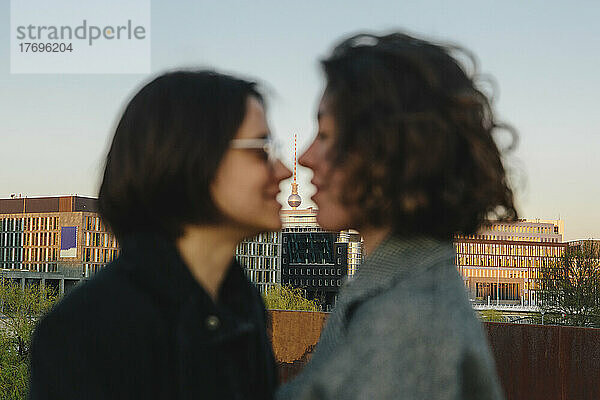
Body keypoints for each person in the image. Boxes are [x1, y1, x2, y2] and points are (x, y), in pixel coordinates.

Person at [277, 32, 515, 400]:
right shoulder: (398, 291)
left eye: (325, 135)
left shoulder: (409, 320)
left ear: (389, 152)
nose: (306, 157)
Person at [30, 71, 291, 399]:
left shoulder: (242, 303)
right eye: (262, 149)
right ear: (192, 159)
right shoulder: (85, 329)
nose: (284, 169)